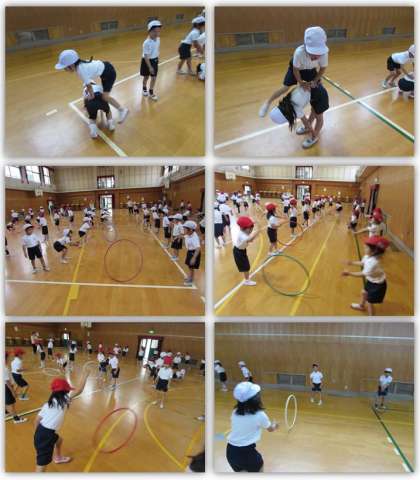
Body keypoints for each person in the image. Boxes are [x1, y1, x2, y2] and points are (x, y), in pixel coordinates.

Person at [33, 374, 90, 471]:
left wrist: (37, 434)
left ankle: (58, 458)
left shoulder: (48, 404)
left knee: (59, 440)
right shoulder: (64, 401)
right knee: (42, 465)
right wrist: (85, 375)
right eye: (68, 390)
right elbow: (79, 390)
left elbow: (37, 420)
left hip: (42, 432)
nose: (69, 392)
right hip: (45, 436)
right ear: (65, 392)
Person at [55, 50, 128, 123]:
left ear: (71, 65)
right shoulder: (80, 65)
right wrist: (89, 90)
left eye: (65, 68)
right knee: (103, 94)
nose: (65, 70)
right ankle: (112, 109)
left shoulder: (80, 70)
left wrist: (91, 95)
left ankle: (122, 110)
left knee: (105, 97)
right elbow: (88, 80)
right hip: (105, 71)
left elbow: (89, 85)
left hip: (109, 73)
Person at [226, 382, 278, 472]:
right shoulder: (260, 414)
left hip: (231, 452)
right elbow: (270, 429)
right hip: (247, 453)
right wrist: (275, 425)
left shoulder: (235, 411)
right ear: (255, 399)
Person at [342, 236, 390, 315]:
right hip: (371, 281)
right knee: (364, 292)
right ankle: (361, 306)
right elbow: (362, 263)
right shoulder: (368, 256)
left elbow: (363, 274)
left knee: (369, 302)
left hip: (377, 285)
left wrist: (349, 273)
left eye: (366, 247)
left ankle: (371, 317)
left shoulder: (373, 263)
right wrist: (352, 263)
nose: (364, 248)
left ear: (374, 251)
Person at [232, 217, 259, 286]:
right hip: (238, 252)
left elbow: (249, 238)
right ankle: (247, 281)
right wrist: (258, 231)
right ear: (243, 228)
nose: (251, 231)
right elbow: (250, 240)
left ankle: (247, 279)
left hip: (242, 250)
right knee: (246, 266)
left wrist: (253, 222)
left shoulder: (243, 231)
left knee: (246, 266)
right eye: (250, 229)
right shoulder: (242, 235)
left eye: (251, 229)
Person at [141, 20, 162, 100]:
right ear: (149, 31)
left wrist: (157, 58)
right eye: (154, 31)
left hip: (154, 60)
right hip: (146, 61)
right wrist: (150, 67)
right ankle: (144, 88)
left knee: (154, 77)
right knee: (146, 77)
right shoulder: (146, 43)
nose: (156, 33)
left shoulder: (158, 39)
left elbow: (156, 49)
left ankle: (151, 92)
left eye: (158, 31)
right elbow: (146, 56)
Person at [5, 352, 27, 424]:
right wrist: (13, 392)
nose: (9, 358)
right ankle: (16, 419)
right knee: (11, 404)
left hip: (5, 387)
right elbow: (7, 381)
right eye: (8, 357)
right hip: (6, 387)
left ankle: (6, 412)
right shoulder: (4, 368)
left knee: (5, 401)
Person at [183, 220, 201, 286]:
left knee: (191, 267)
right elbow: (185, 236)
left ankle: (190, 280)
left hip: (194, 253)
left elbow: (198, 248)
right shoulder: (189, 234)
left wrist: (194, 258)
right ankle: (190, 277)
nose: (184, 230)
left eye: (185, 229)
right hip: (190, 252)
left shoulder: (194, 237)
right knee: (189, 266)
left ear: (190, 230)